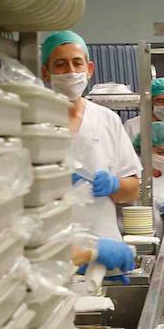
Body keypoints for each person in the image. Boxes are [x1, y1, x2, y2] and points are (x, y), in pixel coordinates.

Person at [40, 30, 141, 240]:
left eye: (77, 63)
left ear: (89, 69)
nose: (70, 71)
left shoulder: (107, 120)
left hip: (103, 246)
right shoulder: (31, 122)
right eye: (60, 64)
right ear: (45, 72)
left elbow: (133, 190)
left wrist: (114, 184)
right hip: (48, 249)